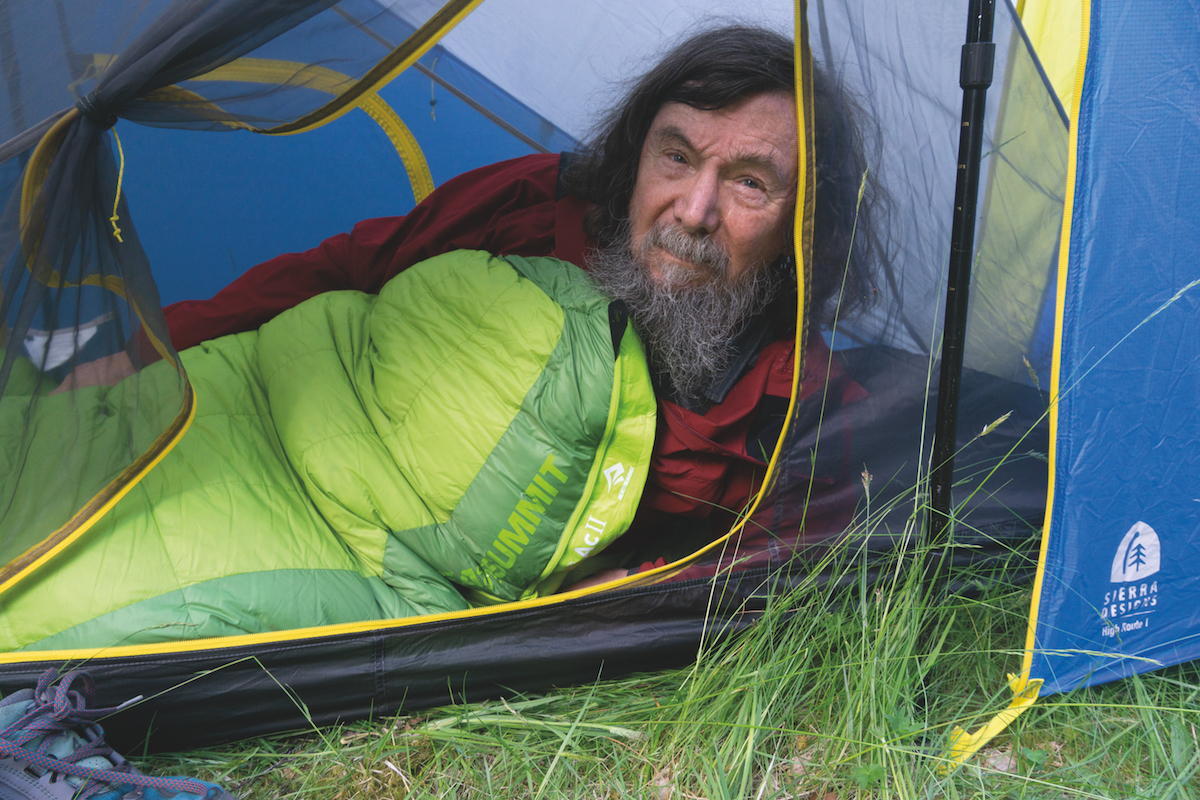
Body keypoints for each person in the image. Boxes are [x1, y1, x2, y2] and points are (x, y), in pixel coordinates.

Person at [65, 25, 882, 577]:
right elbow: (345, 271)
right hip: (290, 439)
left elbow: (719, 598)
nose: (694, 211)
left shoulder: (802, 417)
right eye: (676, 155)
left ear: (805, 226)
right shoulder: (529, 210)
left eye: (749, 183)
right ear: (637, 154)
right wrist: (146, 357)